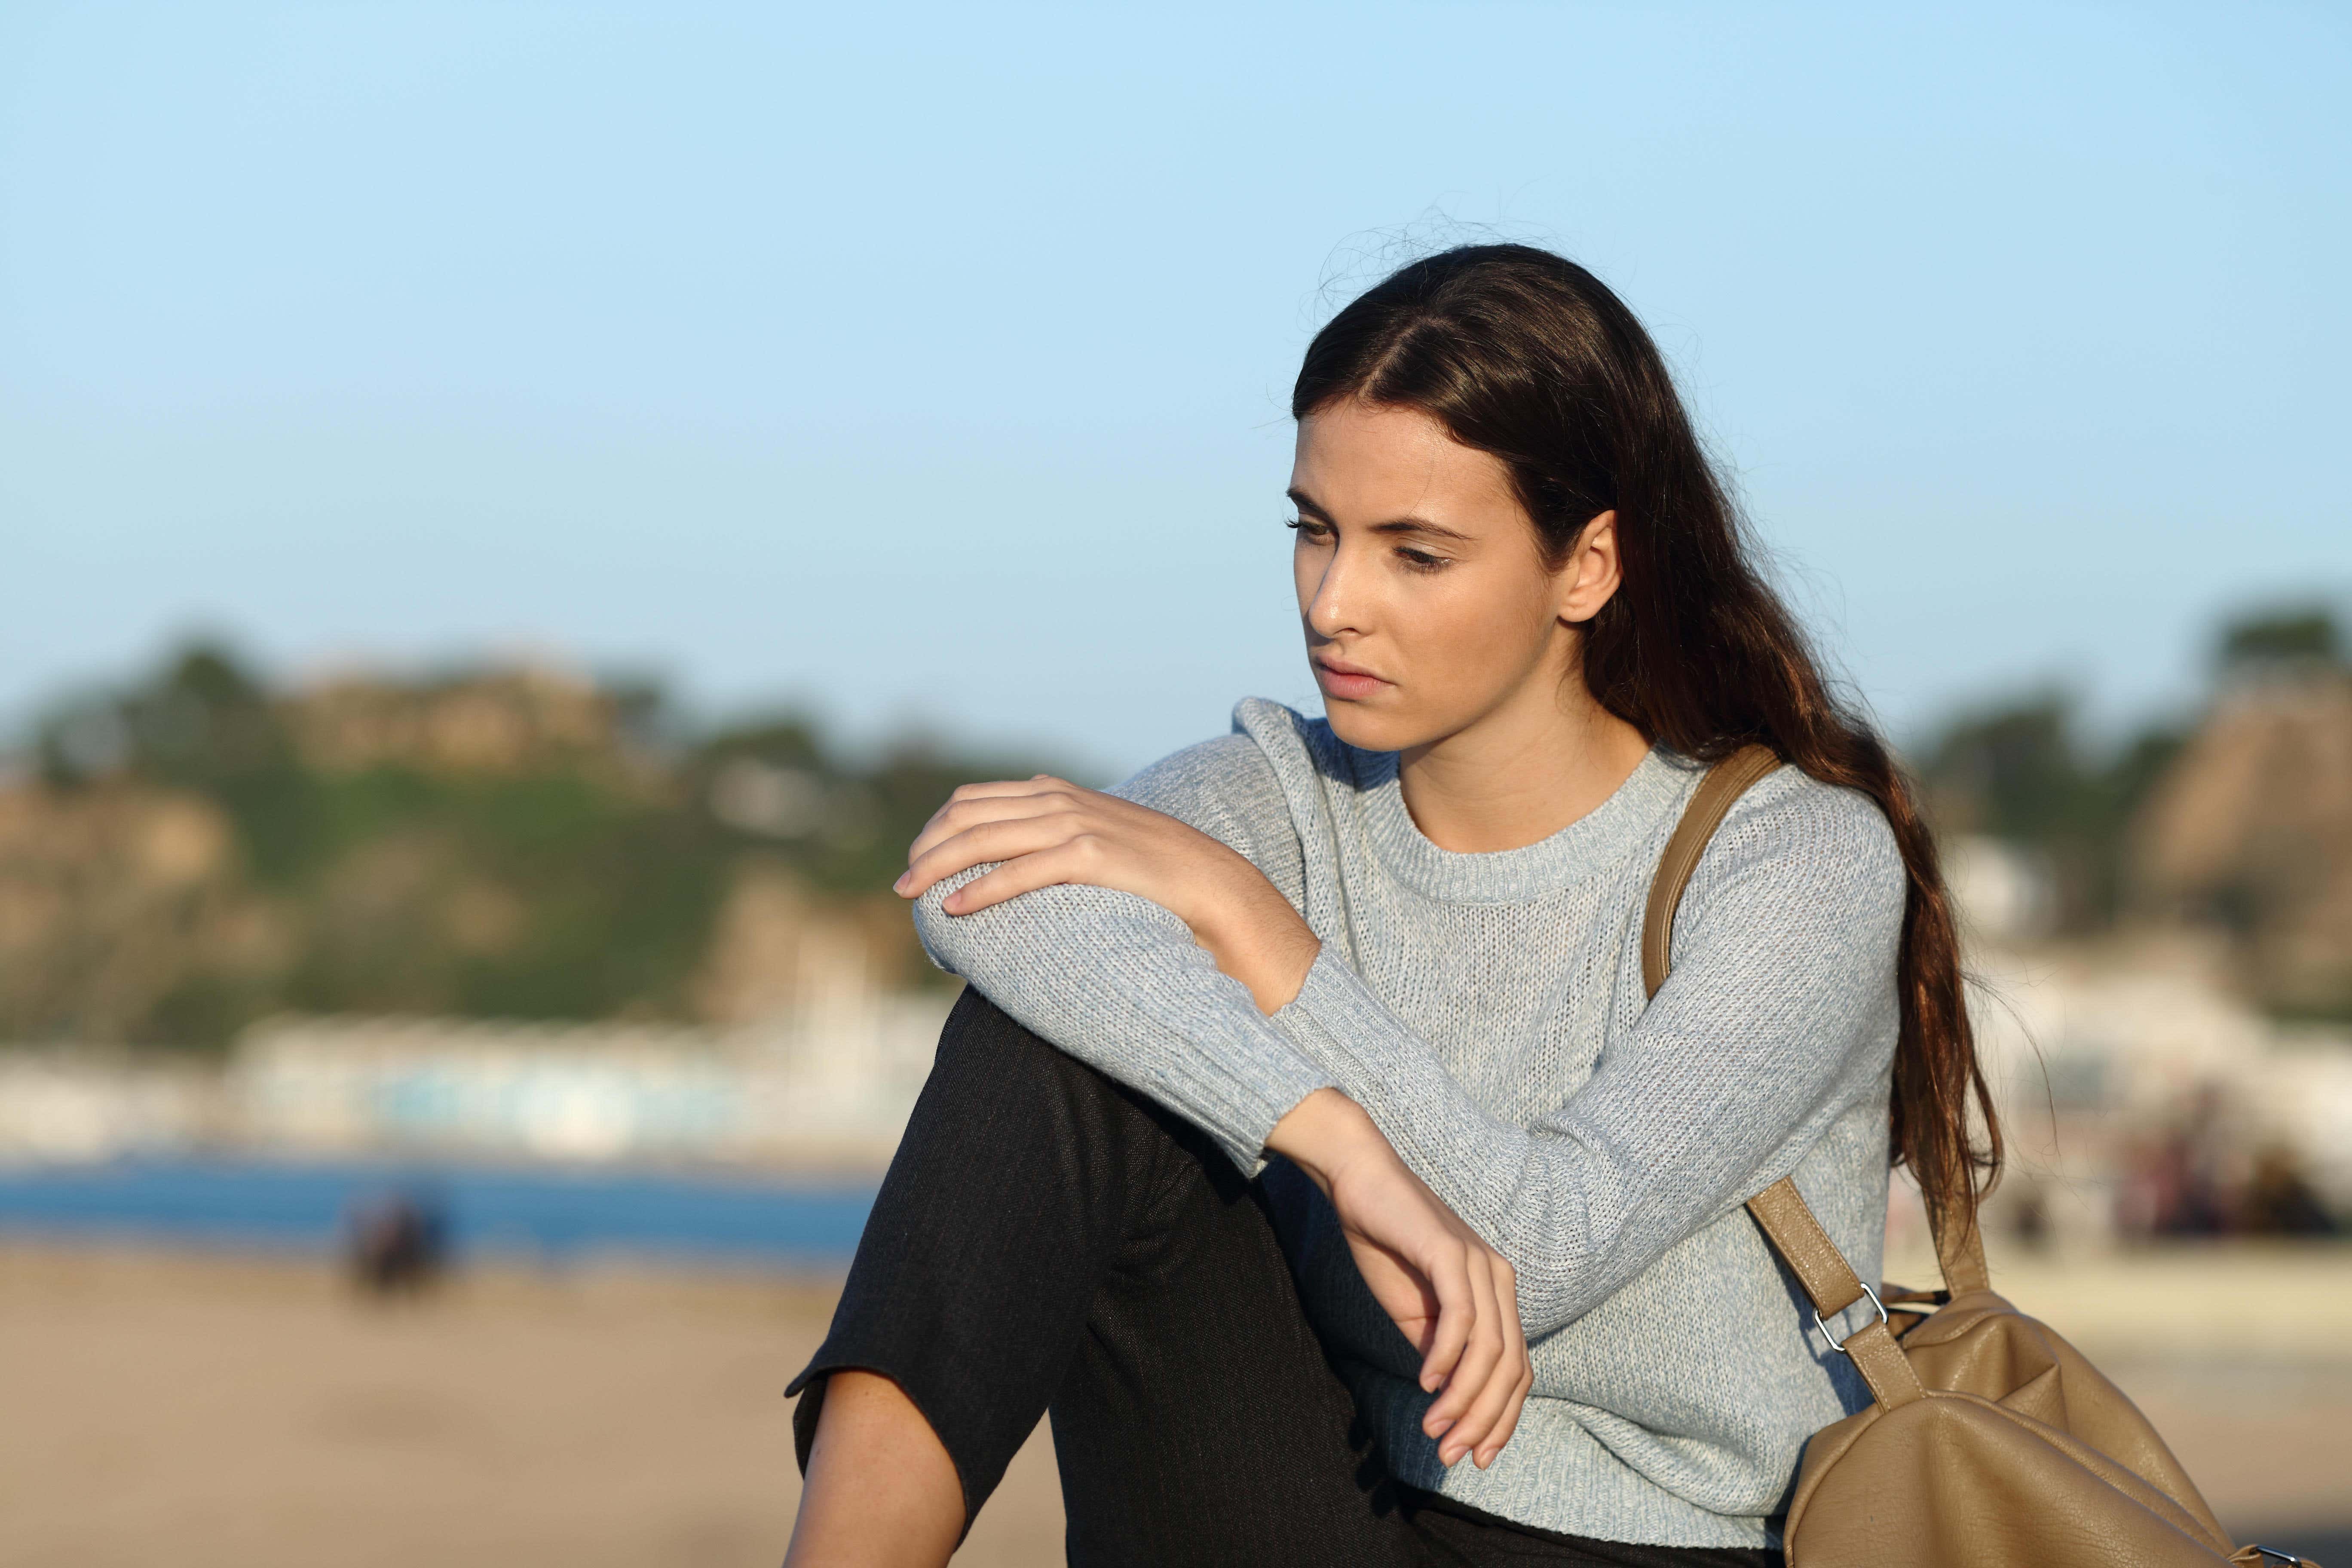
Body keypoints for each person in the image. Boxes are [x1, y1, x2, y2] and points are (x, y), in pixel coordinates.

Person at [781, 244, 2000, 1567]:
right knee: (1058, 1037)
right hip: (1335, 1490)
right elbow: (974, 894)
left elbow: (1534, 1261)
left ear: (1588, 566)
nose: (1333, 605)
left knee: (1116, 996)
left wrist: (1263, 937)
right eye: (1315, 530)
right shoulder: (1281, 797)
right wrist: (1338, 1146)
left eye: (1415, 554)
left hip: (1650, 1547)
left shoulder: (1794, 862)